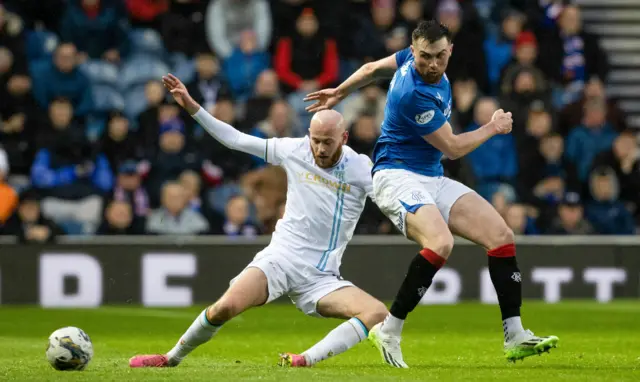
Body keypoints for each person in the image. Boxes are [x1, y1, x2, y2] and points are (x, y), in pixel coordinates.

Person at [305, 20, 559, 368]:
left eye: (439, 56)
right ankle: (389, 329)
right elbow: (453, 147)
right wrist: (493, 127)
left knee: (501, 236)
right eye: (425, 57)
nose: (433, 64)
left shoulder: (411, 63)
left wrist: (340, 91)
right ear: (414, 52)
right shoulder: (413, 92)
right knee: (440, 243)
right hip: (395, 175)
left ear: (449, 51)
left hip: (430, 176)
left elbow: (369, 70)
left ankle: (514, 335)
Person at [129, 74, 388, 368]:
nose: (320, 149)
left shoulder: (361, 169)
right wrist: (192, 107)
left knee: (376, 312)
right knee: (223, 308)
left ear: (344, 137)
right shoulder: (295, 150)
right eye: (315, 141)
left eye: (328, 142)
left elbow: (391, 201)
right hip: (279, 259)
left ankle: (305, 360)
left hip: (321, 276)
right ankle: (170, 357)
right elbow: (235, 139)